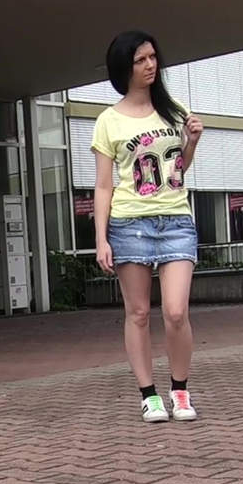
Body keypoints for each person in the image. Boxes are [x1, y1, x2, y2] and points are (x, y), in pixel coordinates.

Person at [91, 30, 204, 423]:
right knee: (138, 313)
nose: (150, 65)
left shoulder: (173, 109)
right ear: (124, 67)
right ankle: (148, 395)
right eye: (140, 60)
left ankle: (180, 390)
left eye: (153, 57)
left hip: (176, 220)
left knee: (176, 311)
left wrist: (191, 142)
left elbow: (178, 170)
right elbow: (103, 185)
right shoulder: (108, 121)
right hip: (129, 224)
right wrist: (101, 238)